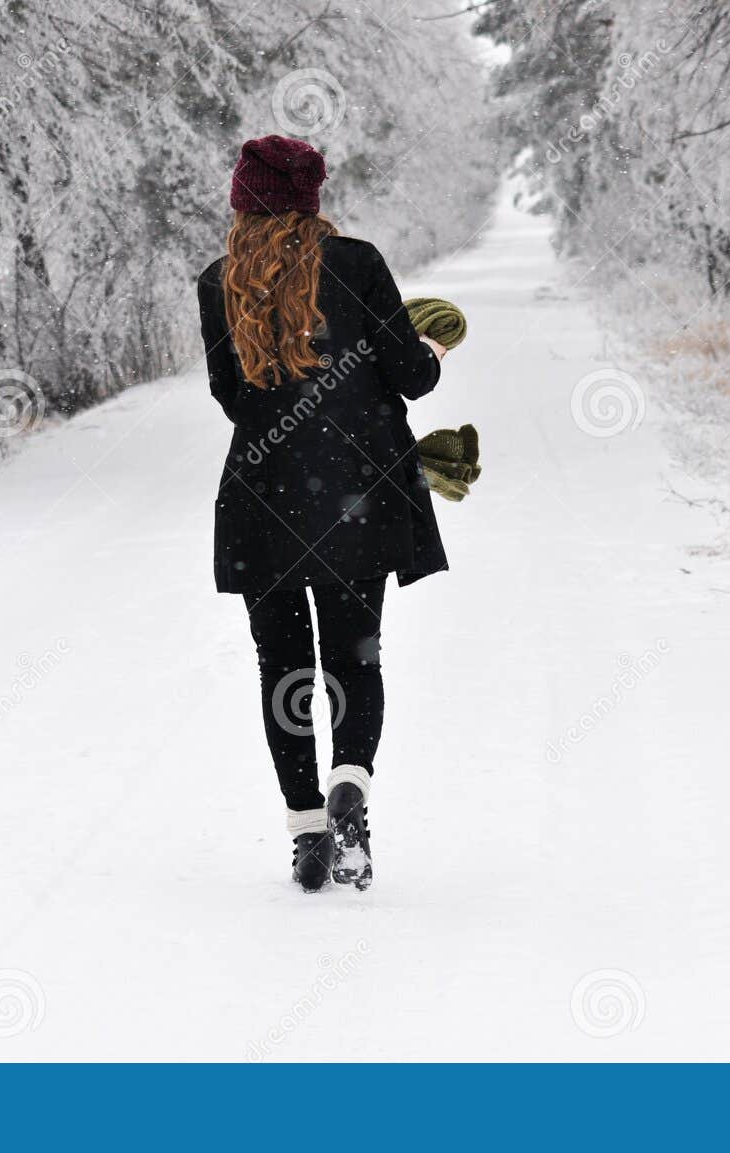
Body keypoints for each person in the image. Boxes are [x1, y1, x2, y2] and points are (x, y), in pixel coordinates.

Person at [196, 135, 453, 893]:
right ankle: (349, 790)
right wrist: (433, 351)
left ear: (243, 200)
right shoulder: (359, 263)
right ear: (313, 200)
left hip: (261, 500)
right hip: (359, 497)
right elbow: (410, 377)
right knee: (354, 657)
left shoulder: (219, 283)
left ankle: (307, 829)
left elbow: (234, 399)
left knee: (281, 667)